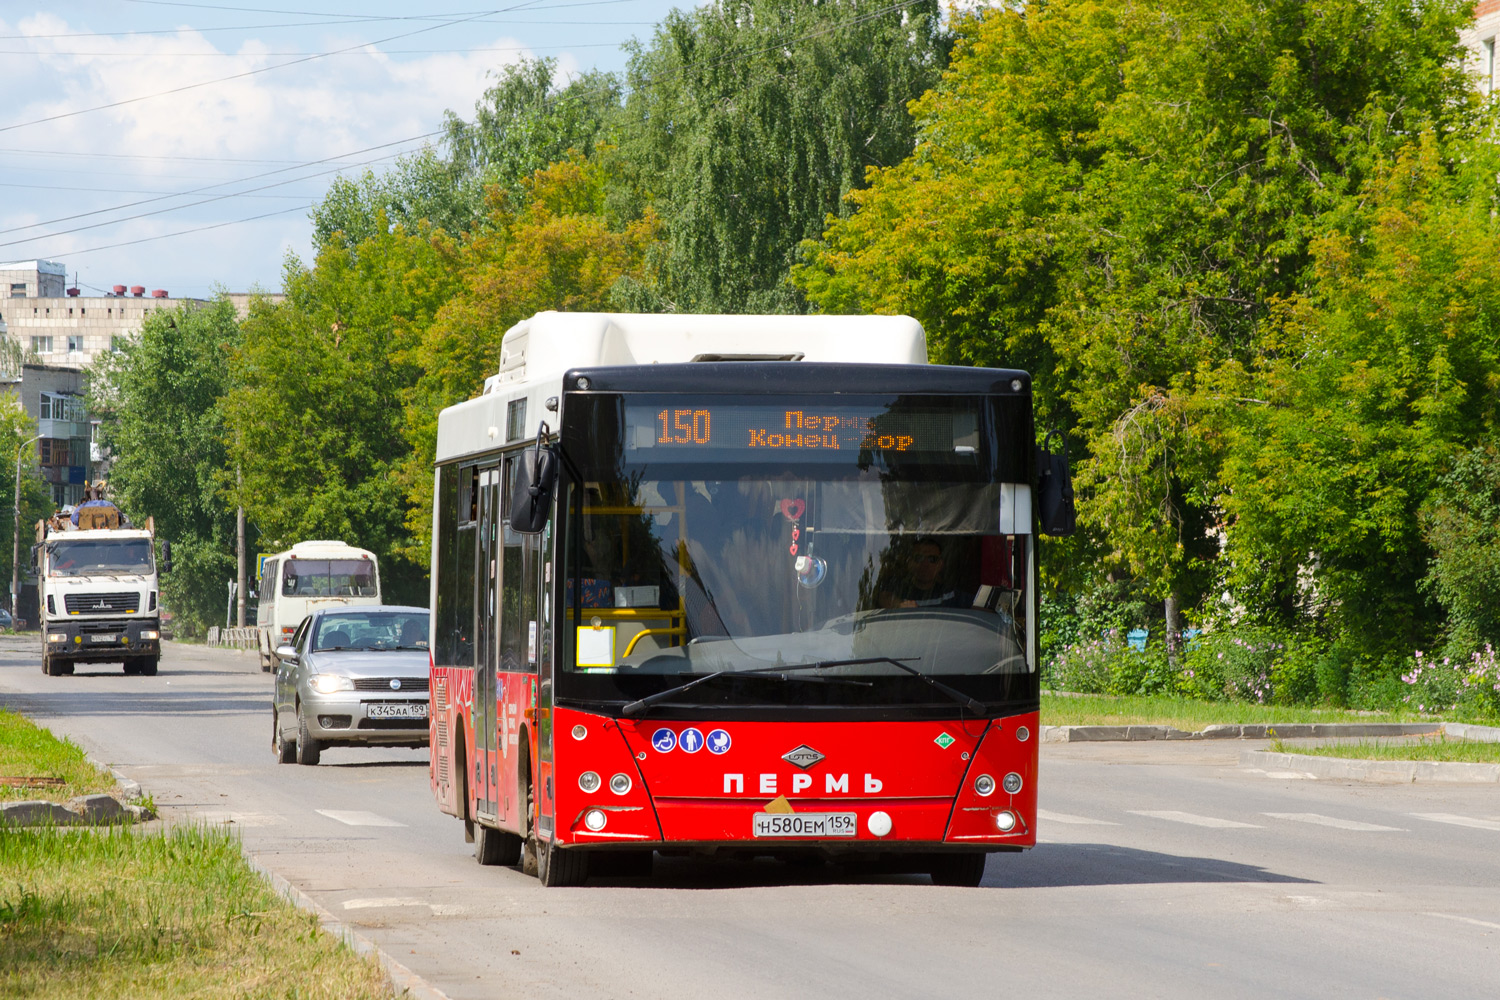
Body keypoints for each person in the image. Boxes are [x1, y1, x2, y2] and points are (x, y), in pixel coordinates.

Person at [879, 537, 960, 608]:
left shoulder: (949, 594)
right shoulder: (899, 589)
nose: (925, 564)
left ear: (940, 565)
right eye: (919, 558)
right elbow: (884, 597)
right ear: (910, 563)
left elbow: (972, 605)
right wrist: (898, 605)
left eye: (932, 559)